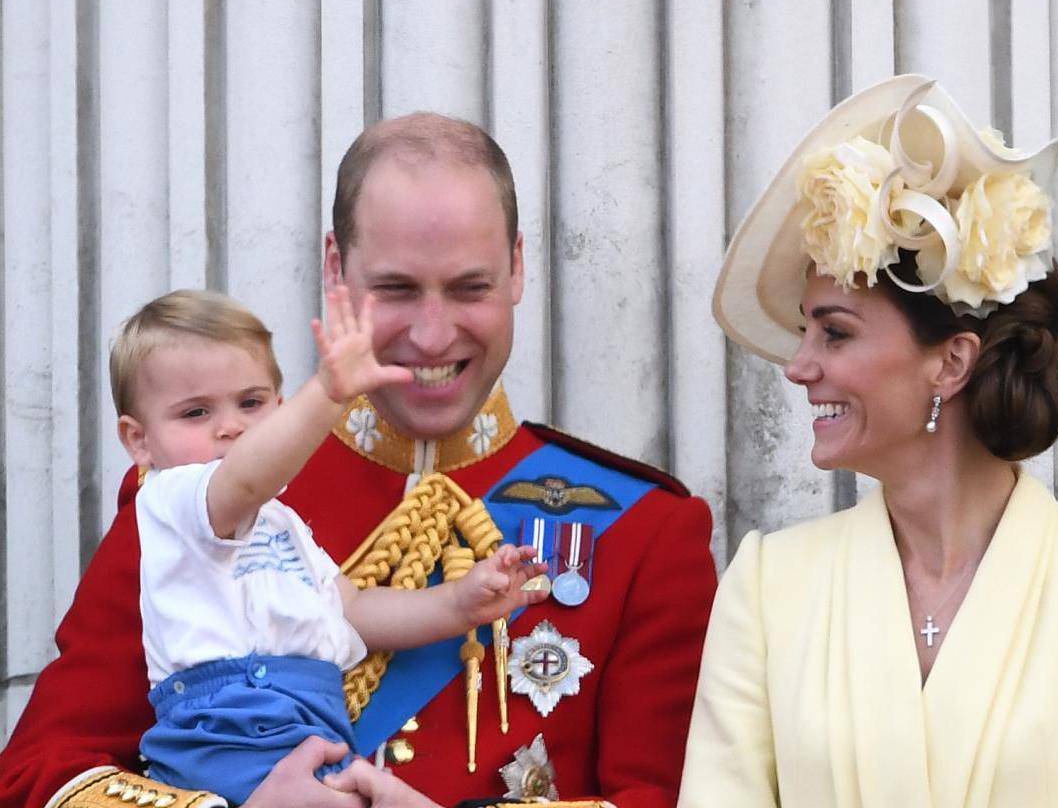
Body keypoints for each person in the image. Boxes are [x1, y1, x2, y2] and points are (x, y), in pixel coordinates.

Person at [0, 114, 718, 808]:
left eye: (470, 288)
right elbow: (39, 776)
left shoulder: (644, 530)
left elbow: (665, 800)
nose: (433, 336)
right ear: (336, 270)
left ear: (517, 268)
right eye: (397, 290)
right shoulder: (210, 496)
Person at [677, 75, 1058, 807]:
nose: (798, 368)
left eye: (833, 332)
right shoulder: (767, 587)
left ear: (949, 362)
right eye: (805, 333)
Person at [111, 285, 546, 803]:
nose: (230, 428)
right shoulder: (174, 498)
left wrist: (457, 604)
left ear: (277, 405)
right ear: (139, 441)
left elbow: (353, 609)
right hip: (225, 732)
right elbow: (246, 478)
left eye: (250, 404)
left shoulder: (279, 521)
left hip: (309, 727)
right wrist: (330, 391)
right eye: (195, 413)